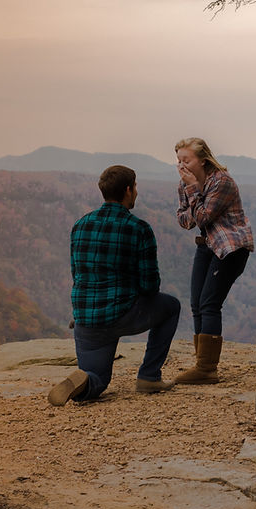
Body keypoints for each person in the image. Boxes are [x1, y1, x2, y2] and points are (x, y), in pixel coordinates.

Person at [48, 165, 180, 406]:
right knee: (171, 306)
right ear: (128, 190)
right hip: (123, 313)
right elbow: (150, 285)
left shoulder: (80, 225)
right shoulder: (139, 228)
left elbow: (77, 274)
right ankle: (149, 376)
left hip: (86, 319)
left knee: (97, 379)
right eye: (135, 187)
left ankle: (83, 381)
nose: (136, 192)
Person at [174, 137, 254, 384]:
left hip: (231, 247)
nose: (181, 165)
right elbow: (184, 220)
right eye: (178, 160)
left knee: (209, 303)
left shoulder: (221, 182)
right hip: (207, 245)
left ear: (202, 159)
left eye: (186, 160)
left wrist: (193, 191)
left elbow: (202, 218)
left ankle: (207, 369)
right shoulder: (185, 184)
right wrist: (192, 194)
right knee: (196, 303)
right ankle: (201, 364)